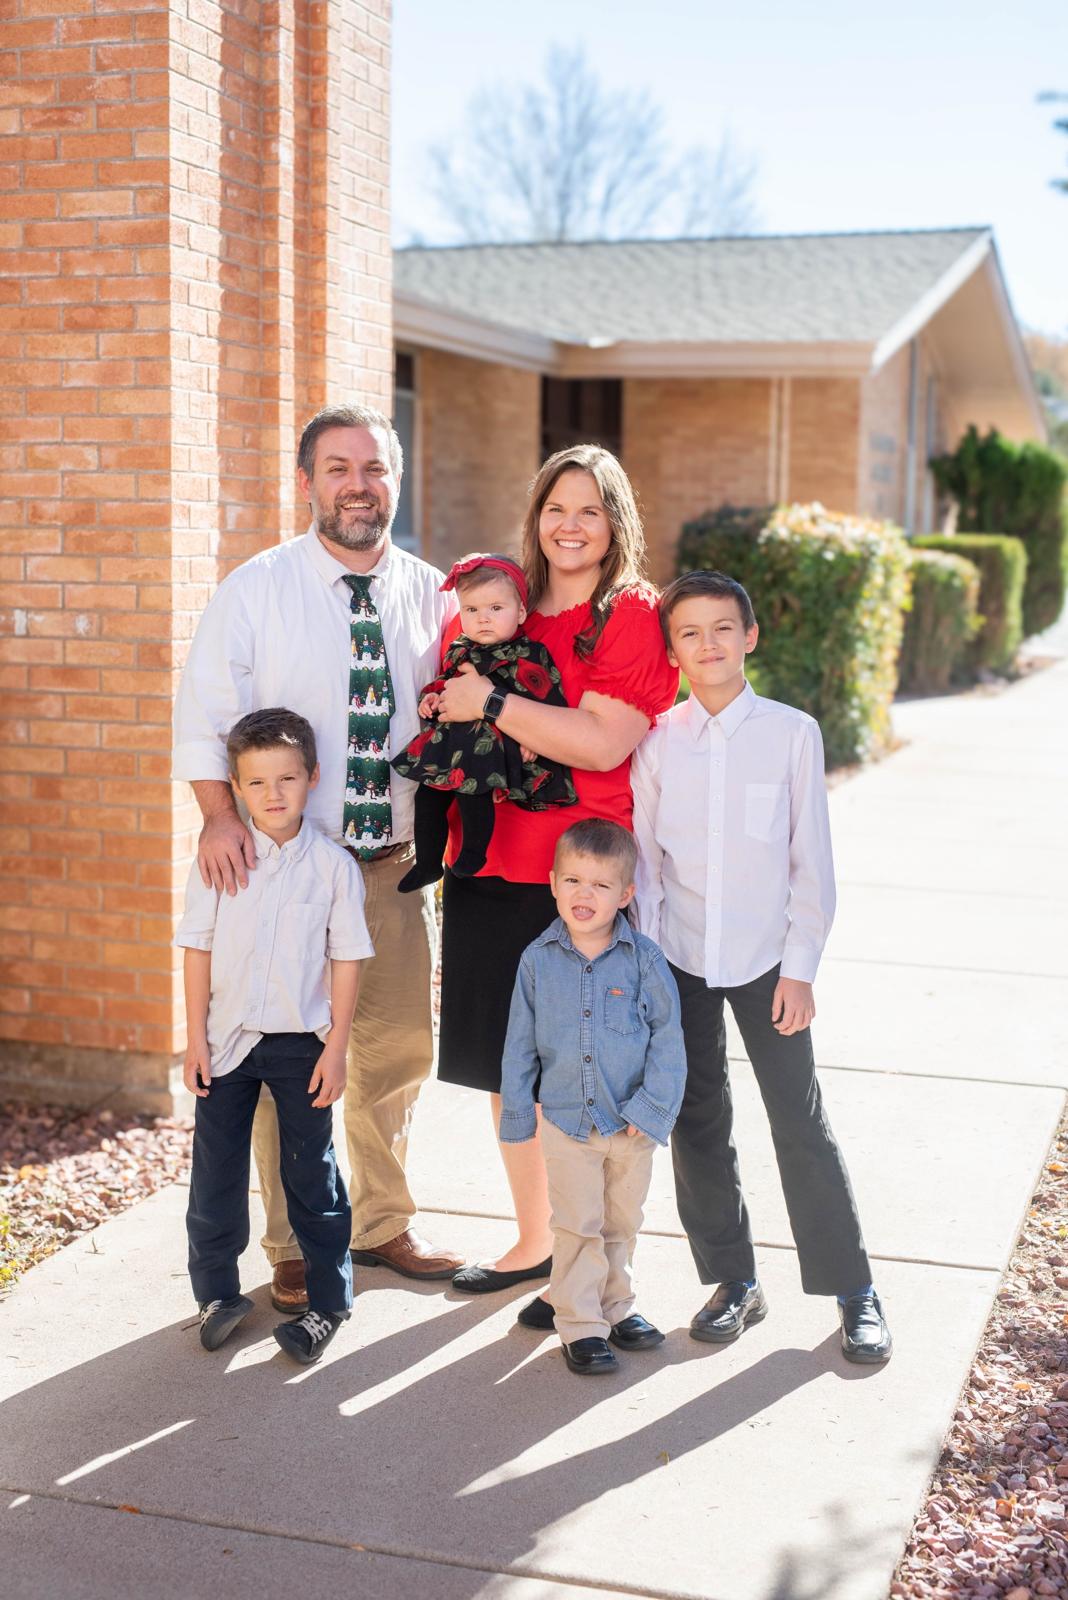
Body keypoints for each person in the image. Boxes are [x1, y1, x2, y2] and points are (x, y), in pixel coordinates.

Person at [173, 402, 464, 1315]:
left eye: (374, 468)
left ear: (397, 481)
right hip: (286, 873)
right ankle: (293, 1241)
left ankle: (380, 1223)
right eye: (338, 468)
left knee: (395, 1050)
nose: (358, 485)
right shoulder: (256, 589)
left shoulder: (432, 592)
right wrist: (220, 818)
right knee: (281, 1063)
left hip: (390, 866)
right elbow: (205, 714)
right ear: (307, 484)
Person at [431, 444, 679, 1320]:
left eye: (590, 510)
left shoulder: (629, 615)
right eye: (555, 508)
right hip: (489, 862)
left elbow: (604, 742)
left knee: (587, 1073)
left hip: (578, 876)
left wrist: (492, 706)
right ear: (534, 517)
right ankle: (538, 1243)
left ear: (616, 523)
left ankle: (593, 1272)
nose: (570, 526)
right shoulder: (507, 605)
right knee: (512, 1068)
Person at [631, 569, 893, 1364]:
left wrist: (801, 966)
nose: (706, 644)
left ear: (750, 636)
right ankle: (734, 1281)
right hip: (678, 958)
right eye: (688, 632)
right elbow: (643, 862)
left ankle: (854, 1289)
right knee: (697, 1119)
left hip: (766, 961)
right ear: (672, 648)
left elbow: (809, 861)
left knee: (798, 1118)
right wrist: (645, 962)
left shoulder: (791, 732)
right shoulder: (656, 740)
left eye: (722, 628)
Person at [177, 709, 373, 1366]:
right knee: (216, 1173)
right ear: (235, 786)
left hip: (301, 1043)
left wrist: (337, 1049)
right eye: (257, 782)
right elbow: (197, 948)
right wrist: (194, 1038)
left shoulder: (332, 868)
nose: (274, 794)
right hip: (227, 1040)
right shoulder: (217, 859)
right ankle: (217, 1295)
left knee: (311, 1174)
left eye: (287, 778)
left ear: (312, 779)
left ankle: (328, 1302)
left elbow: (346, 959)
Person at [500, 819, 686, 1375]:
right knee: (577, 1223)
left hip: (630, 1123)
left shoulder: (644, 961)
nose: (585, 895)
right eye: (574, 880)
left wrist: (651, 1110)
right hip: (567, 1122)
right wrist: (517, 1116)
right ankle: (580, 1326)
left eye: (601, 886)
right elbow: (519, 1044)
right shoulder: (537, 961)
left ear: (626, 895)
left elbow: (668, 1039)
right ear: (553, 882)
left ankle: (613, 1305)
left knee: (621, 1222)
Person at [391, 552, 576, 892]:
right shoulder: (460, 650)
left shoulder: (529, 654)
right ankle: (429, 864)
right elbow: (446, 682)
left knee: (473, 792)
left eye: (496, 609)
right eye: (472, 610)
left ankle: (474, 852)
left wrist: (534, 739)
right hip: (451, 744)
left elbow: (548, 700)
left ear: (520, 612)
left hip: (490, 745)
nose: (483, 619)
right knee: (427, 798)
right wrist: (432, 698)